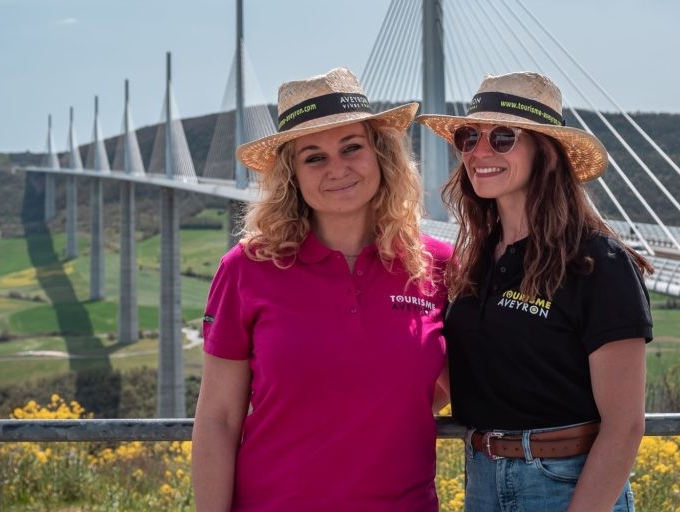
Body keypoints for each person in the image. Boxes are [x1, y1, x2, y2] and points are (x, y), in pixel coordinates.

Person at [192, 67, 452, 512]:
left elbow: (451, 385)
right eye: (314, 157)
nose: (338, 169)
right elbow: (218, 417)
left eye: (352, 147)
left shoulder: (437, 266)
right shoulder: (247, 269)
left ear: (380, 155)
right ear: (292, 173)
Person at [418, 72, 653, 512]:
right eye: (470, 137)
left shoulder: (597, 262)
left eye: (502, 137)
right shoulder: (477, 261)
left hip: (564, 484)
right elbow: (473, 372)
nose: (479, 152)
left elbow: (624, 426)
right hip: (483, 479)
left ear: (545, 152)